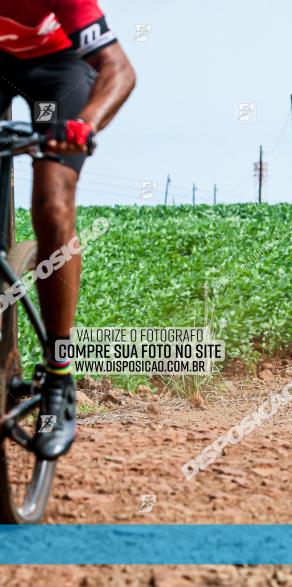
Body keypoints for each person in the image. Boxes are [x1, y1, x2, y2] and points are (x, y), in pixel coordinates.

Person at [0, 1, 136, 459]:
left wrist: (83, 125)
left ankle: (58, 374)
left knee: (53, 203)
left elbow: (118, 68)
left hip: (54, 69)